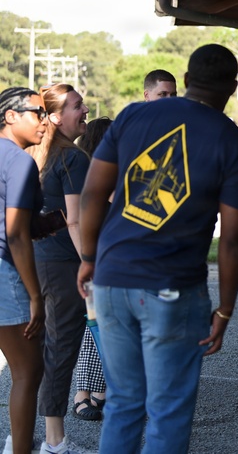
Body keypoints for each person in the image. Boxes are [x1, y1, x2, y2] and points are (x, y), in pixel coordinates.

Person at [76, 44, 238, 454]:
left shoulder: (132, 117)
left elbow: (92, 194)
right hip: (173, 289)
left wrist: (89, 259)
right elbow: (233, 239)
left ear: (187, 81)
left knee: (123, 402)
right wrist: (225, 309)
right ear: (232, 87)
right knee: (168, 410)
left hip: (112, 279)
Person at [28, 84, 91, 454]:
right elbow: (75, 220)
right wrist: (90, 264)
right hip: (64, 265)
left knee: (40, 350)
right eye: (77, 105)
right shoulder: (73, 157)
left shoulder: (37, 154)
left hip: (35, 262)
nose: (84, 110)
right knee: (61, 350)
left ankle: (20, 437)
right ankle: (55, 443)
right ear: (55, 116)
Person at [0, 87, 47, 454]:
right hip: (5, 274)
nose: (45, 122)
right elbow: (16, 233)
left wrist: (50, 223)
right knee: (28, 374)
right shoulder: (19, 162)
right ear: (10, 116)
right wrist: (35, 295)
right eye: (37, 112)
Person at [70, 117, 112, 423]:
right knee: (96, 325)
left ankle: (90, 391)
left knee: (97, 325)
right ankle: (88, 392)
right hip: (92, 259)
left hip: (101, 259)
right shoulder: (92, 175)